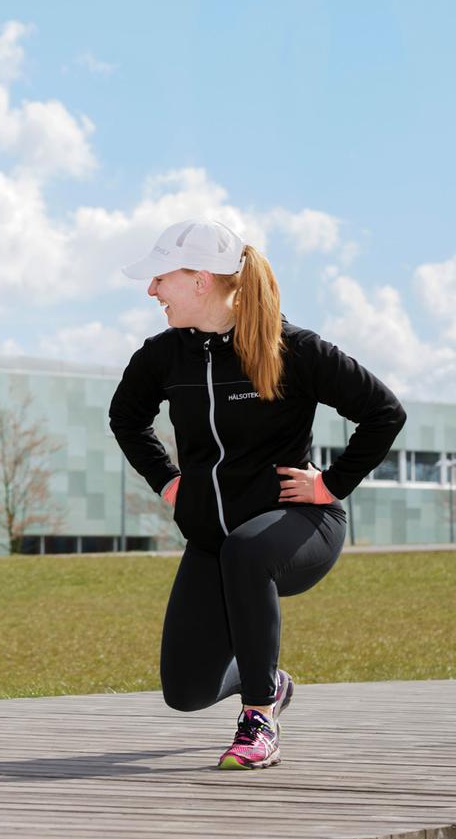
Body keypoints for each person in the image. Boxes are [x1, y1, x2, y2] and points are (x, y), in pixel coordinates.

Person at [109, 219, 405, 770]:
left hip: (298, 528)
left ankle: (258, 717)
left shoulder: (295, 349)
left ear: (201, 280)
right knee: (185, 690)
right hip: (212, 539)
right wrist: (168, 481)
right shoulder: (162, 356)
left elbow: (384, 412)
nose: (151, 291)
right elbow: (125, 417)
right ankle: (271, 678)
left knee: (247, 549)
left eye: (160, 278)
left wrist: (331, 484)